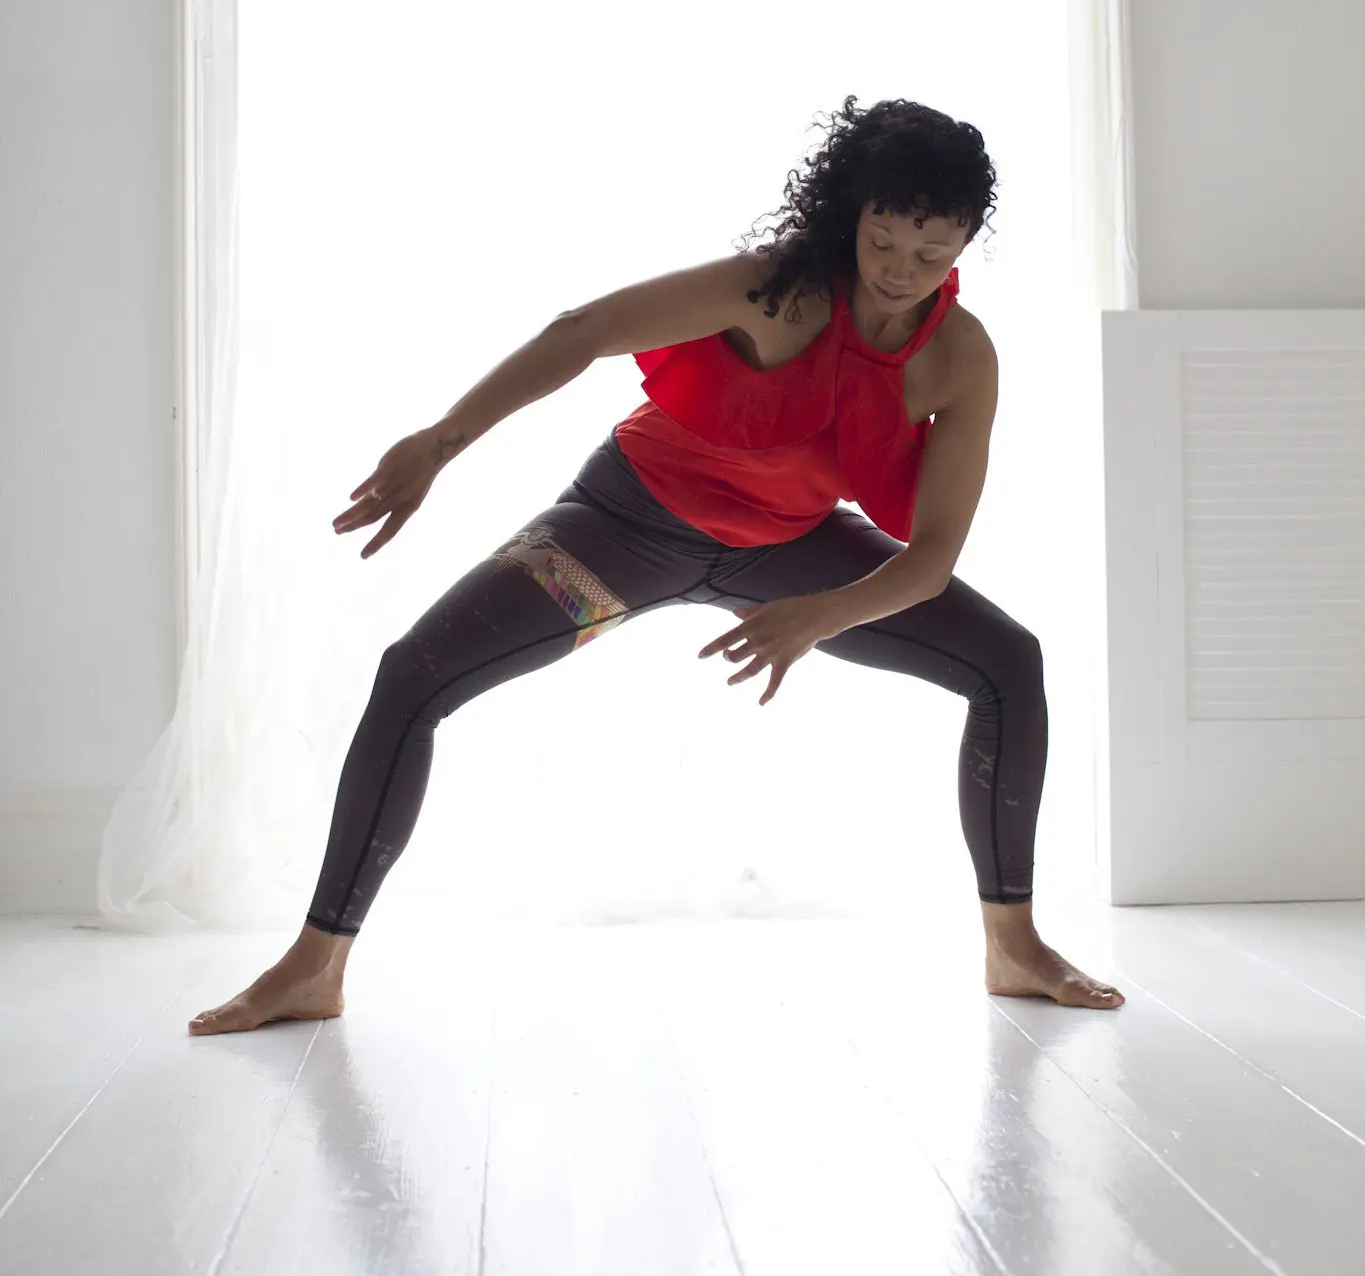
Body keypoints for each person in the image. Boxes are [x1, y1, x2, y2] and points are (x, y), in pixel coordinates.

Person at [189, 97, 1123, 1035]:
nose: (901, 272)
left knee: (1008, 662)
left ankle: (1013, 947)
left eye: (933, 255)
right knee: (415, 673)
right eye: (885, 241)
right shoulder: (777, 288)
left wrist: (818, 614)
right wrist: (439, 444)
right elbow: (583, 328)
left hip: (790, 550)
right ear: (853, 216)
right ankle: (315, 965)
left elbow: (930, 561)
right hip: (623, 533)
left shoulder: (961, 356)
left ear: (963, 246)